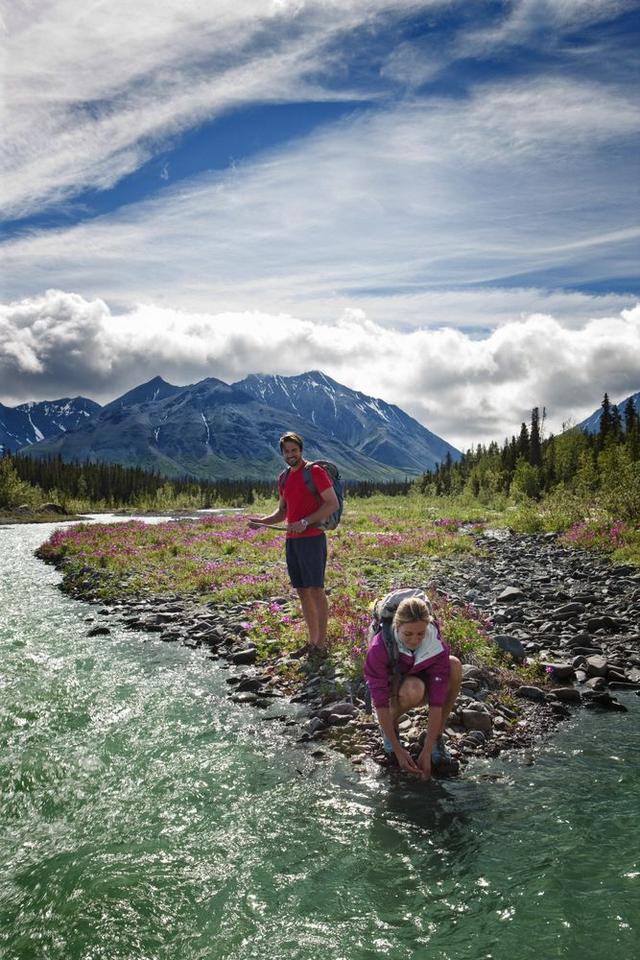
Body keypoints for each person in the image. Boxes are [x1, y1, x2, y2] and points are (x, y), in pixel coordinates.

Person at [247, 432, 339, 653]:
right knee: (302, 591)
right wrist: (262, 522)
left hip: (313, 539)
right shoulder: (283, 478)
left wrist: (306, 521)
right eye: (286, 451)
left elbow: (332, 503)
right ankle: (312, 641)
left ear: (301, 450)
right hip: (292, 541)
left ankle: (322, 643)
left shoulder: (314, 472)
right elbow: (282, 512)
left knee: (315, 589)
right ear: (282, 453)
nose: (291, 455)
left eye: (294, 450)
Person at [364, 595, 462, 780]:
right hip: (396, 687)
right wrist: (398, 750)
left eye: (420, 634)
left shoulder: (435, 645)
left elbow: (436, 701)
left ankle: (436, 741)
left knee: (454, 665)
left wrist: (426, 750)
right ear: (397, 626)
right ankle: (389, 731)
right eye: (408, 634)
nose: (415, 640)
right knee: (414, 688)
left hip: (420, 675)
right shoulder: (379, 648)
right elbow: (380, 702)